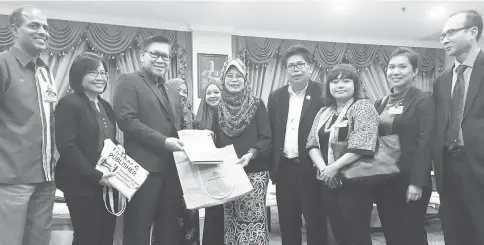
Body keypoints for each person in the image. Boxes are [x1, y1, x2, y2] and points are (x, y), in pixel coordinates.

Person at [113, 35, 184, 245]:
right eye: (155, 54)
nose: (161, 60)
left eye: (166, 56)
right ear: (142, 55)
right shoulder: (128, 80)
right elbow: (126, 121)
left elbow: (176, 128)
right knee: (138, 231)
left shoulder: (172, 90)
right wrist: (164, 142)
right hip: (142, 171)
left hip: (171, 171)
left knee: (167, 230)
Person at [0, 6, 57, 245]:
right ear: (14, 29)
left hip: (46, 178)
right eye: (34, 26)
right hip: (11, 179)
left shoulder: (45, 71)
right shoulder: (3, 64)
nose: (43, 31)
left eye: (45, 27)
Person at [306, 63, 379, 245]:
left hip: (355, 182)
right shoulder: (324, 112)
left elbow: (362, 145)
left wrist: (334, 168)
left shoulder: (362, 107)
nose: (340, 85)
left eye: (346, 81)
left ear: (355, 85)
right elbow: (311, 143)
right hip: (328, 181)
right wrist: (325, 170)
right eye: (335, 81)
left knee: (357, 234)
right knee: (338, 232)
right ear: (328, 86)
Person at [55, 52, 122, 245]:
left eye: (103, 73)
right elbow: (67, 147)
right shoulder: (68, 104)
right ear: (79, 74)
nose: (100, 77)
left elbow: (108, 140)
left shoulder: (106, 106)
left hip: (107, 184)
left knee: (106, 236)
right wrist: (95, 175)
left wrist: (119, 149)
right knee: (87, 237)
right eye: (94, 72)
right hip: (81, 183)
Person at [373, 47, 434, 245]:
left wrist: (417, 182)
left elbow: (426, 142)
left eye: (402, 66)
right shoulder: (380, 102)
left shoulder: (423, 99)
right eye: (391, 67)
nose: (395, 71)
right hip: (385, 178)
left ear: (414, 71)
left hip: (410, 179)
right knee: (391, 232)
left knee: (412, 233)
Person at [433, 10, 484, 245]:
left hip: (479, 167)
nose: (444, 39)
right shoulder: (441, 81)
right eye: (442, 35)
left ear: (473, 32)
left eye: (450, 33)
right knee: (454, 232)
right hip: (448, 167)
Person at [267, 44, 327, 245]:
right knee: (288, 223)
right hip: (285, 170)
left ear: (310, 67)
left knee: (316, 223)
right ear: (285, 70)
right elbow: (271, 133)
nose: (296, 69)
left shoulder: (323, 94)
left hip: (312, 169)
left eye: (300, 64)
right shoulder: (276, 96)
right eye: (291, 66)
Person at [212, 57, 271, 245]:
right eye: (230, 75)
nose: (234, 80)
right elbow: (216, 141)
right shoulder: (218, 108)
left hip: (254, 171)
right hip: (228, 173)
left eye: (239, 76)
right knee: (231, 221)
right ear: (223, 79)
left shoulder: (257, 104)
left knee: (252, 222)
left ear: (246, 80)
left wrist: (252, 153)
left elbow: (267, 137)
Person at [194, 80, 224, 245]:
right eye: (209, 93)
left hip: (227, 169)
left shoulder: (229, 116)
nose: (212, 96)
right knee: (213, 213)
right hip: (208, 172)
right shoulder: (198, 120)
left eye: (216, 92)